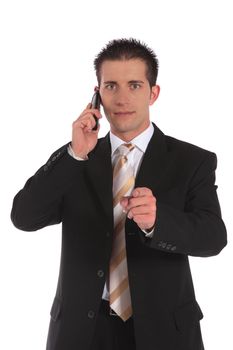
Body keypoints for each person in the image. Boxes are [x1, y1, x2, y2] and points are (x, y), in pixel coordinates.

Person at [11, 38, 227, 350]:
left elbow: (213, 237)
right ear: (97, 95)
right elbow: (24, 217)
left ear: (153, 93)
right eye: (111, 86)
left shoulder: (192, 161)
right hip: (82, 331)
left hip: (164, 330)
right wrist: (74, 154)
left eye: (135, 85)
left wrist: (158, 221)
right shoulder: (78, 159)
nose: (122, 97)